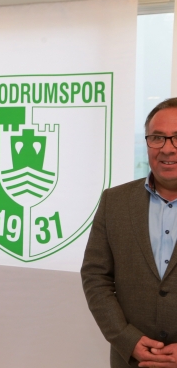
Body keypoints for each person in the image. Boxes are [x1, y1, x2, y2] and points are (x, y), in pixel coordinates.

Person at [82, 97, 177, 368]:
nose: (167, 149)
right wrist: (126, 339)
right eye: (157, 137)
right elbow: (95, 276)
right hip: (131, 360)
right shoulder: (114, 201)